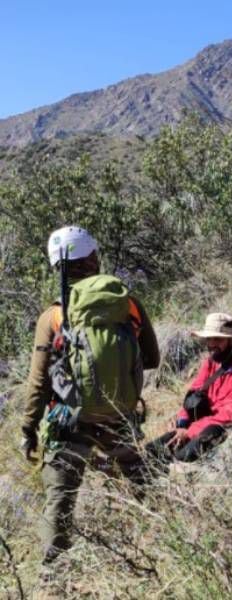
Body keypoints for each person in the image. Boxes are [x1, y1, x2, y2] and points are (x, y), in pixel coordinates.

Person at [18, 226, 160, 564]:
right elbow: (152, 358)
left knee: (60, 497)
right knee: (139, 475)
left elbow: (38, 383)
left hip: (70, 419)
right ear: (94, 258)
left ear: (57, 267)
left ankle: (54, 574)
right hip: (120, 413)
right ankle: (161, 536)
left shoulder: (53, 315)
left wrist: (28, 430)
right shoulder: (128, 304)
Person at [145, 313, 232, 468]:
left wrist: (190, 432)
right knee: (151, 451)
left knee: (183, 456)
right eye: (209, 339)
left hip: (225, 426)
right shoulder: (211, 363)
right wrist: (182, 424)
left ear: (231, 340)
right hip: (204, 423)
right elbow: (193, 395)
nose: (211, 344)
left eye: (217, 339)